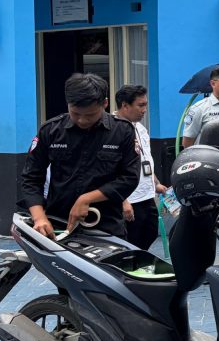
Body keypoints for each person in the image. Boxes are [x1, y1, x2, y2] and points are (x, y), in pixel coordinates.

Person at [19, 74, 140, 239]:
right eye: (75, 113)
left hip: (106, 227)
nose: (82, 120)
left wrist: (86, 199)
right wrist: (39, 218)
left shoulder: (122, 131)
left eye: (90, 115)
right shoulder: (50, 131)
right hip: (57, 226)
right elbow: (31, 178)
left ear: (105, 103)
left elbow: (130, 178)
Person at [115, 84, 169, 250]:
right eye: (140, 105)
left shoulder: (140, 128)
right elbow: (110, 170)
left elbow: (146, 160)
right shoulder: (113, 130)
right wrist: (123, 201)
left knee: (150, 233)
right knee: (131, 243)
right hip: (130, 199)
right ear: (125, 105)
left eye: (146, 105)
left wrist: (156, 183)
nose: (144, 110)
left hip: (146, 195)